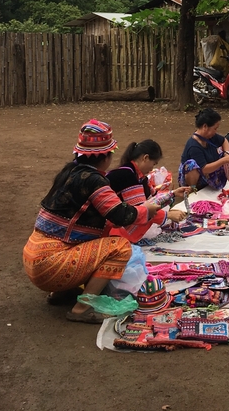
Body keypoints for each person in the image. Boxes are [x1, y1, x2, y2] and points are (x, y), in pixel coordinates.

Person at [23, 119, 155, 323]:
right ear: (105, 157)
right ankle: (82, 308)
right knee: (120, 247)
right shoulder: (94, 180)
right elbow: (121, 216)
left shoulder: (69, 172)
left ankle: (61, 292)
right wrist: (148, 210)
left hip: (34, 256)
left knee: (94, 242)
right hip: (51, 265)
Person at [106, 140, 188, 239]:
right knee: (146, 213)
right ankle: (120, 236)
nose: (152, 168)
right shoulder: (127, 176)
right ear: (145, 158)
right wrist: (168, 215)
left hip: (117, 216)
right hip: (108, 225)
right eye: (154, 164)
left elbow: (153, 198)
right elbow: (139, 211)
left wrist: (173, 193)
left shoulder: (139, 177)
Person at [179, 108, 229, 190]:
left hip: (208, 170)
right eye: (215, 128)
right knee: (191, 165)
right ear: (205, 126)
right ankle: (192, 189)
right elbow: (204, 169)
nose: (216, 131)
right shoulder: (194, 146)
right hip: (199, 174)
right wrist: (224, 160)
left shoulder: (209, 136)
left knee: (224, 153)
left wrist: (227, 153)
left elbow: (224, 141)